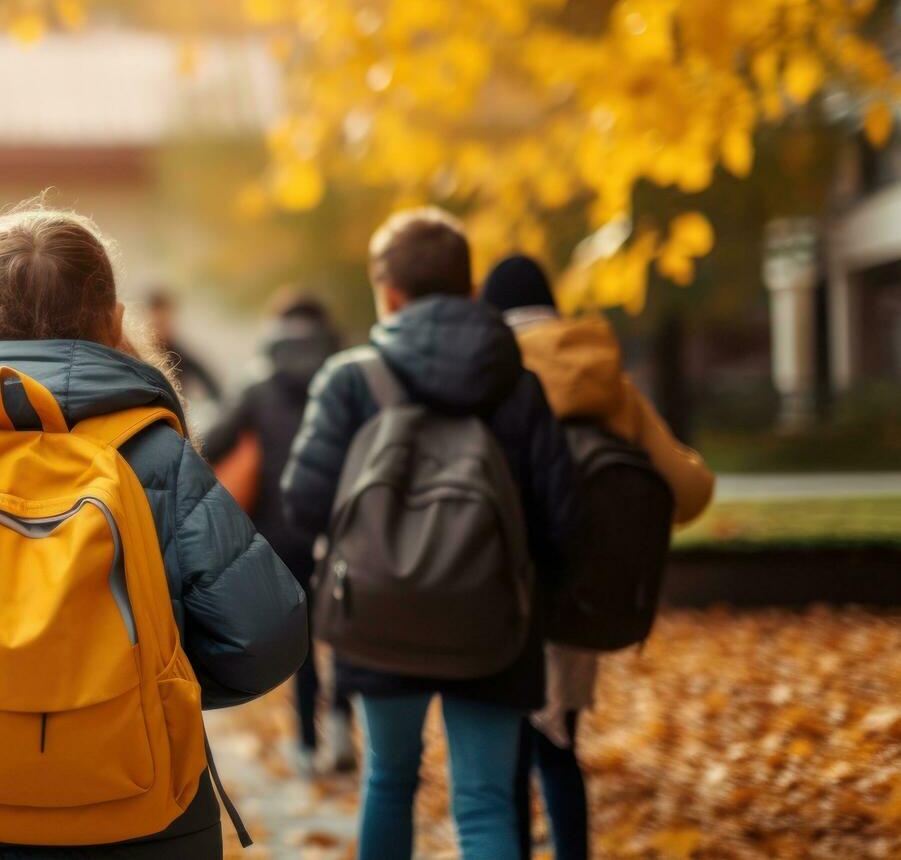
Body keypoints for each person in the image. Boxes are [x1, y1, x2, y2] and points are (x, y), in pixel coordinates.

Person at [0, 208, 309, 859]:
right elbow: (265, 634)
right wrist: (137, 694)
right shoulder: (153, 454)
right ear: (115, 320)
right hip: (142, 815)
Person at [281, 208, 581, 860]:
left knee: (387, 781)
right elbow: (561, 519)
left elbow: (302, 504)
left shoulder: (350, 380)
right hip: (494, 625)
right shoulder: (517, 386)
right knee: (484, 800)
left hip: (378, 616)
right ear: (470, 290)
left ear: (387, 292)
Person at [480, 254, 715, 860]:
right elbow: (690, 494)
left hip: (502, 593)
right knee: (559, 752)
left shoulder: (488, 375)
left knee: (501, 760)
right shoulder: (608, 380)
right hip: (579, 601)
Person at [203, 290, 356, 776]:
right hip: (344, 527)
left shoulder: (258, 387)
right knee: (347, 632)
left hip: (279, 529)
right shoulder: (350, 378)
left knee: (303, 638)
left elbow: (208, 445)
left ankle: (308, 746)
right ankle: (341, 725)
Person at [145, 288, 224, 403]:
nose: (163, 328)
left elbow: (210, 383)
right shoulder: (139, 354)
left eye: (166, 322)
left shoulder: (180, 353)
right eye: (159, 324)